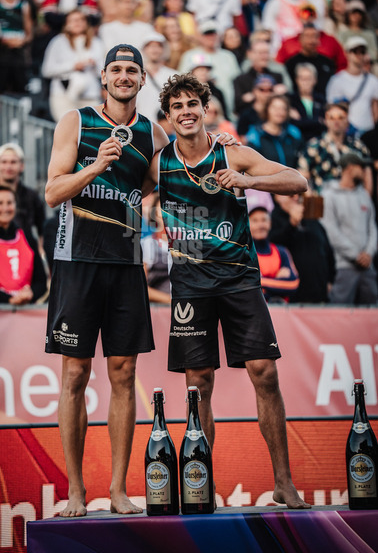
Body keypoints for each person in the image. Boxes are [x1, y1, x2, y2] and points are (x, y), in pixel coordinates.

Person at [142, 72, 310, 510]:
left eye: (192, 104)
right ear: (168, 117)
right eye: (177, 106)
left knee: (265, 373)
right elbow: (129, 190)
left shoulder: (230, 151)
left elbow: (297, 181)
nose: (185, 112)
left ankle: (283, 483)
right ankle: (202, 488)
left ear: (205, 109)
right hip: (190, 285)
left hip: (239, 279)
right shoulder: (160, 163)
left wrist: (249, 181)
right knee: (198, 385)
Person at [44, 43, 170, 517]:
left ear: (142, 80)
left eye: (131, 70)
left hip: (125, 264)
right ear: (103, 77)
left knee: (124, 374)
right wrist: (96, 165)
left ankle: (118, 490)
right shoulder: (75, 122)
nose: (123, 76)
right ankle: (76, 491)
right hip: (76, 261)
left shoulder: (153, 133)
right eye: (116, 69)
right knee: (75, 373)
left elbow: (163, 184)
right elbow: (52, 191)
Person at [321, 152, 378, 304]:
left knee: (372, 313)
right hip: (342, 266)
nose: (365, 171)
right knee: (339, 312)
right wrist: (356, 255)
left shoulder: (364, 195)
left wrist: (368, 254)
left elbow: (372, 227)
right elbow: (330, 231)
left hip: (367, 267)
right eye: (362, 167)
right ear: (350, 168)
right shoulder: (329, 195)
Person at [0, 142, 45, 241]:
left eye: (13, 162)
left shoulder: (32, 196)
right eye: (4, 162)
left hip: (23, 248)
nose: (8, 167)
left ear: (22, 166)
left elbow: (42, 229)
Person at [41, 9, 103, 122]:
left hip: (90, 96)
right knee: (67, 127)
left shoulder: (96, 43)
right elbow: (47, 70)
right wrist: (73, 66)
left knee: (88, 129)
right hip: (63, 94)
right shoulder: (58, 42)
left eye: (81, 20)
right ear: (66, 24)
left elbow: (104, 71)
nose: (77, 23)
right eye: (73, 20)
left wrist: (94, 64)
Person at [298, 101, 372, 194]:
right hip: (323, 198)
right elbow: (302, 175)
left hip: (352, 197)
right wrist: (312, 199)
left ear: (347, 121)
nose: (336, 121)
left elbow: (367, 174)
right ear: (325, 120)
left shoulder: (357, 146)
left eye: (341, 117)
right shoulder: (314, 146)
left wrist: (365, 198)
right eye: (331, 118)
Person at [326, 36, 378, 135]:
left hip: (368, 132)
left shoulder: (373, 81)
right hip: (346, 133)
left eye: (362, 52)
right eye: (355, 51)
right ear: (347, 54)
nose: (359, 55)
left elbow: (376, 110)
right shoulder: (337, 81)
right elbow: (333, 109)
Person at [248, 204, 300, 302]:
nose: (260, 225)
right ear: (247, 224)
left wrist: (259, 281)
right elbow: (244, 286)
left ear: (270, 223)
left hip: (281, 309)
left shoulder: (281, 252)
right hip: (254, 309)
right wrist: (278, 282)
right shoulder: (244, 253)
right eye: (255, 221)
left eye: (264, 220)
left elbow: (293, 284)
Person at [246, 95, 304, 169]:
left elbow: (302, 155)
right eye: (275, 108)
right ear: (267, 109)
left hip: (293, 175)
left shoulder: (293, 132)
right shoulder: (255, 134)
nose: (279, 112)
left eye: (283, 108)